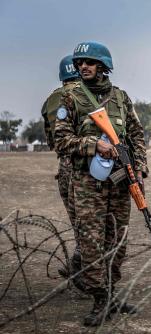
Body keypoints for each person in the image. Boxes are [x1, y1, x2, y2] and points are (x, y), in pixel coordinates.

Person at [54, 41, 143, 326]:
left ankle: (112, 293)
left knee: (117, 239)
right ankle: (100, 299)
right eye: (80, 63)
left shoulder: (121, 97)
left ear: (103, 66)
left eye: (89, 62)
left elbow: (137, 135)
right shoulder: (71, 99)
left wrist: (138, 169)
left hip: (119, 181)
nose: (83, 67)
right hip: (87, 182)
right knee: (92, 242)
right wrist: (94, 145)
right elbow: (61, 140)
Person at [41, 55, 83, 284]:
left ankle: (78, 265)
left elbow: (51, 139)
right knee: (95, 223)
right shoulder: (87, 94)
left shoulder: (51, 100)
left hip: (65, 165)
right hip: (89, 163)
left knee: (78, 221)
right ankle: (83, 269)